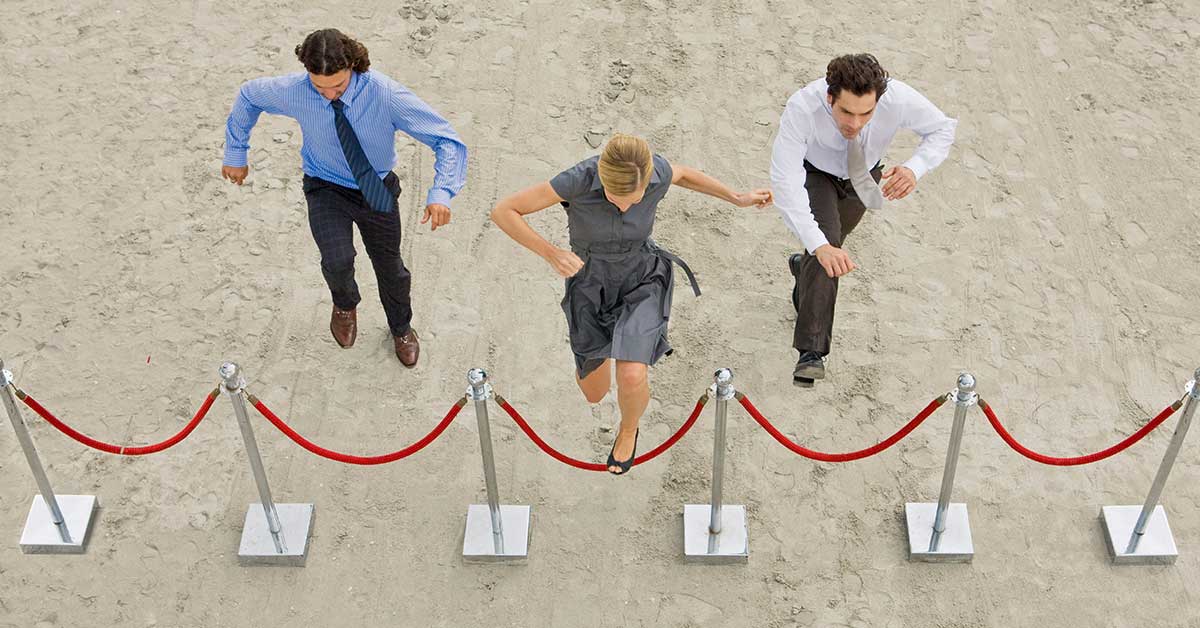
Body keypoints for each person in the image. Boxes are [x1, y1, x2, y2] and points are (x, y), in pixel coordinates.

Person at [491, 134, 772, 474]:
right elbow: (504, 210)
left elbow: (683, 174)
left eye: (634, 200)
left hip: (642, 277)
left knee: (632, 372)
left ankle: (628, 429)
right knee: (594, 392)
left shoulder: (657, 173)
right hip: (589, 281)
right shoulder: (578, 179)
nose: (624, 207)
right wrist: (551, 253)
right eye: (615, 198)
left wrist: (737, 197)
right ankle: (603, 354)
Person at [221, 28, 467, 367]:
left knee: (391, 269)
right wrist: (236, 153)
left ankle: (401, 327)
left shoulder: (385, 94)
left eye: (338, 86)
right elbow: (249, 96)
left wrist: (441, 192)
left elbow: (446, 140)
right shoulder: (296, 91)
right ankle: (345, 304)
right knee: (336, 260)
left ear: (352, 65)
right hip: (325, 188)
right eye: (319, 88)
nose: (328, 95)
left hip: (376, 189)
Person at [770, 54, 957, 387]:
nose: (854, 124)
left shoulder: (897, 97)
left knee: (824, 250)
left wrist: (916, 167)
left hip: (863, 177)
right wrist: (819, 244)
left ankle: (804, 268)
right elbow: (785, 182)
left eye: (866, 114)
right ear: (830, 97)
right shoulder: (802, 107)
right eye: (845, 112)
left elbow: (943, 128)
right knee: (827, 246)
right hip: (816, 175)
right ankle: (811, 354)